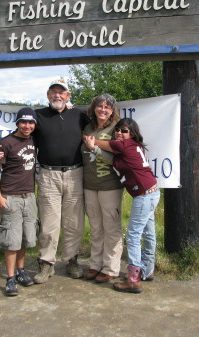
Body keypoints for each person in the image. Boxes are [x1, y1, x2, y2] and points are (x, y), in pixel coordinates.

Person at [0, 79, 89, 284]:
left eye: (61, 93)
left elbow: (98, 128)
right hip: (48, 176)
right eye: (53, 92)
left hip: (75, 174)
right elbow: (20, 134)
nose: (57, 95)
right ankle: (46, 263)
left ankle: (71, 260)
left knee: (74, 223)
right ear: (47, 95)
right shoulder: (39, 116)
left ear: (68, 96)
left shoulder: (79, 114)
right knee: (49, 224)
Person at [84, 118, 160, 294]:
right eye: (117, 130)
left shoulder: (125, 145)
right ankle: (146, 272)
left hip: (144, 195)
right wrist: (94, 149)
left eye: (124, 131)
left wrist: (88, 139)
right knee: (149, 234)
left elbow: (96, 142)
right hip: (151, 192)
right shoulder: (130, 147)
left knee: (133, 236)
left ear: (132, 134)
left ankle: (133, 279)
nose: (119, 133)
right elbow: (110, 159)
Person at [0, 107, 39, 296]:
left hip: (29, 196)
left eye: (31, 122)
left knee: (25, 238)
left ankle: (21, 271)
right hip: (10, 197)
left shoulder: (35, 140)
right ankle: (10, 279)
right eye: (23, 122)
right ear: (17, 123)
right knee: (11, 241)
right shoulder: (6, 143)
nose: (27, 126)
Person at [81, 94, 123, 283]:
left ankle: (111, 268)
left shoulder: (117, 128)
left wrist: (94, 144)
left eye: (107, 107)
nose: (103, 110)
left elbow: (120, 152)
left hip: (110, 185)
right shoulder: (88, 127)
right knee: (96, 227)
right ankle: (95, 264)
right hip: (90, 185)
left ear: (113, 110)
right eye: (100, 106)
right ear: (94, 108)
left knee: (111, 227)